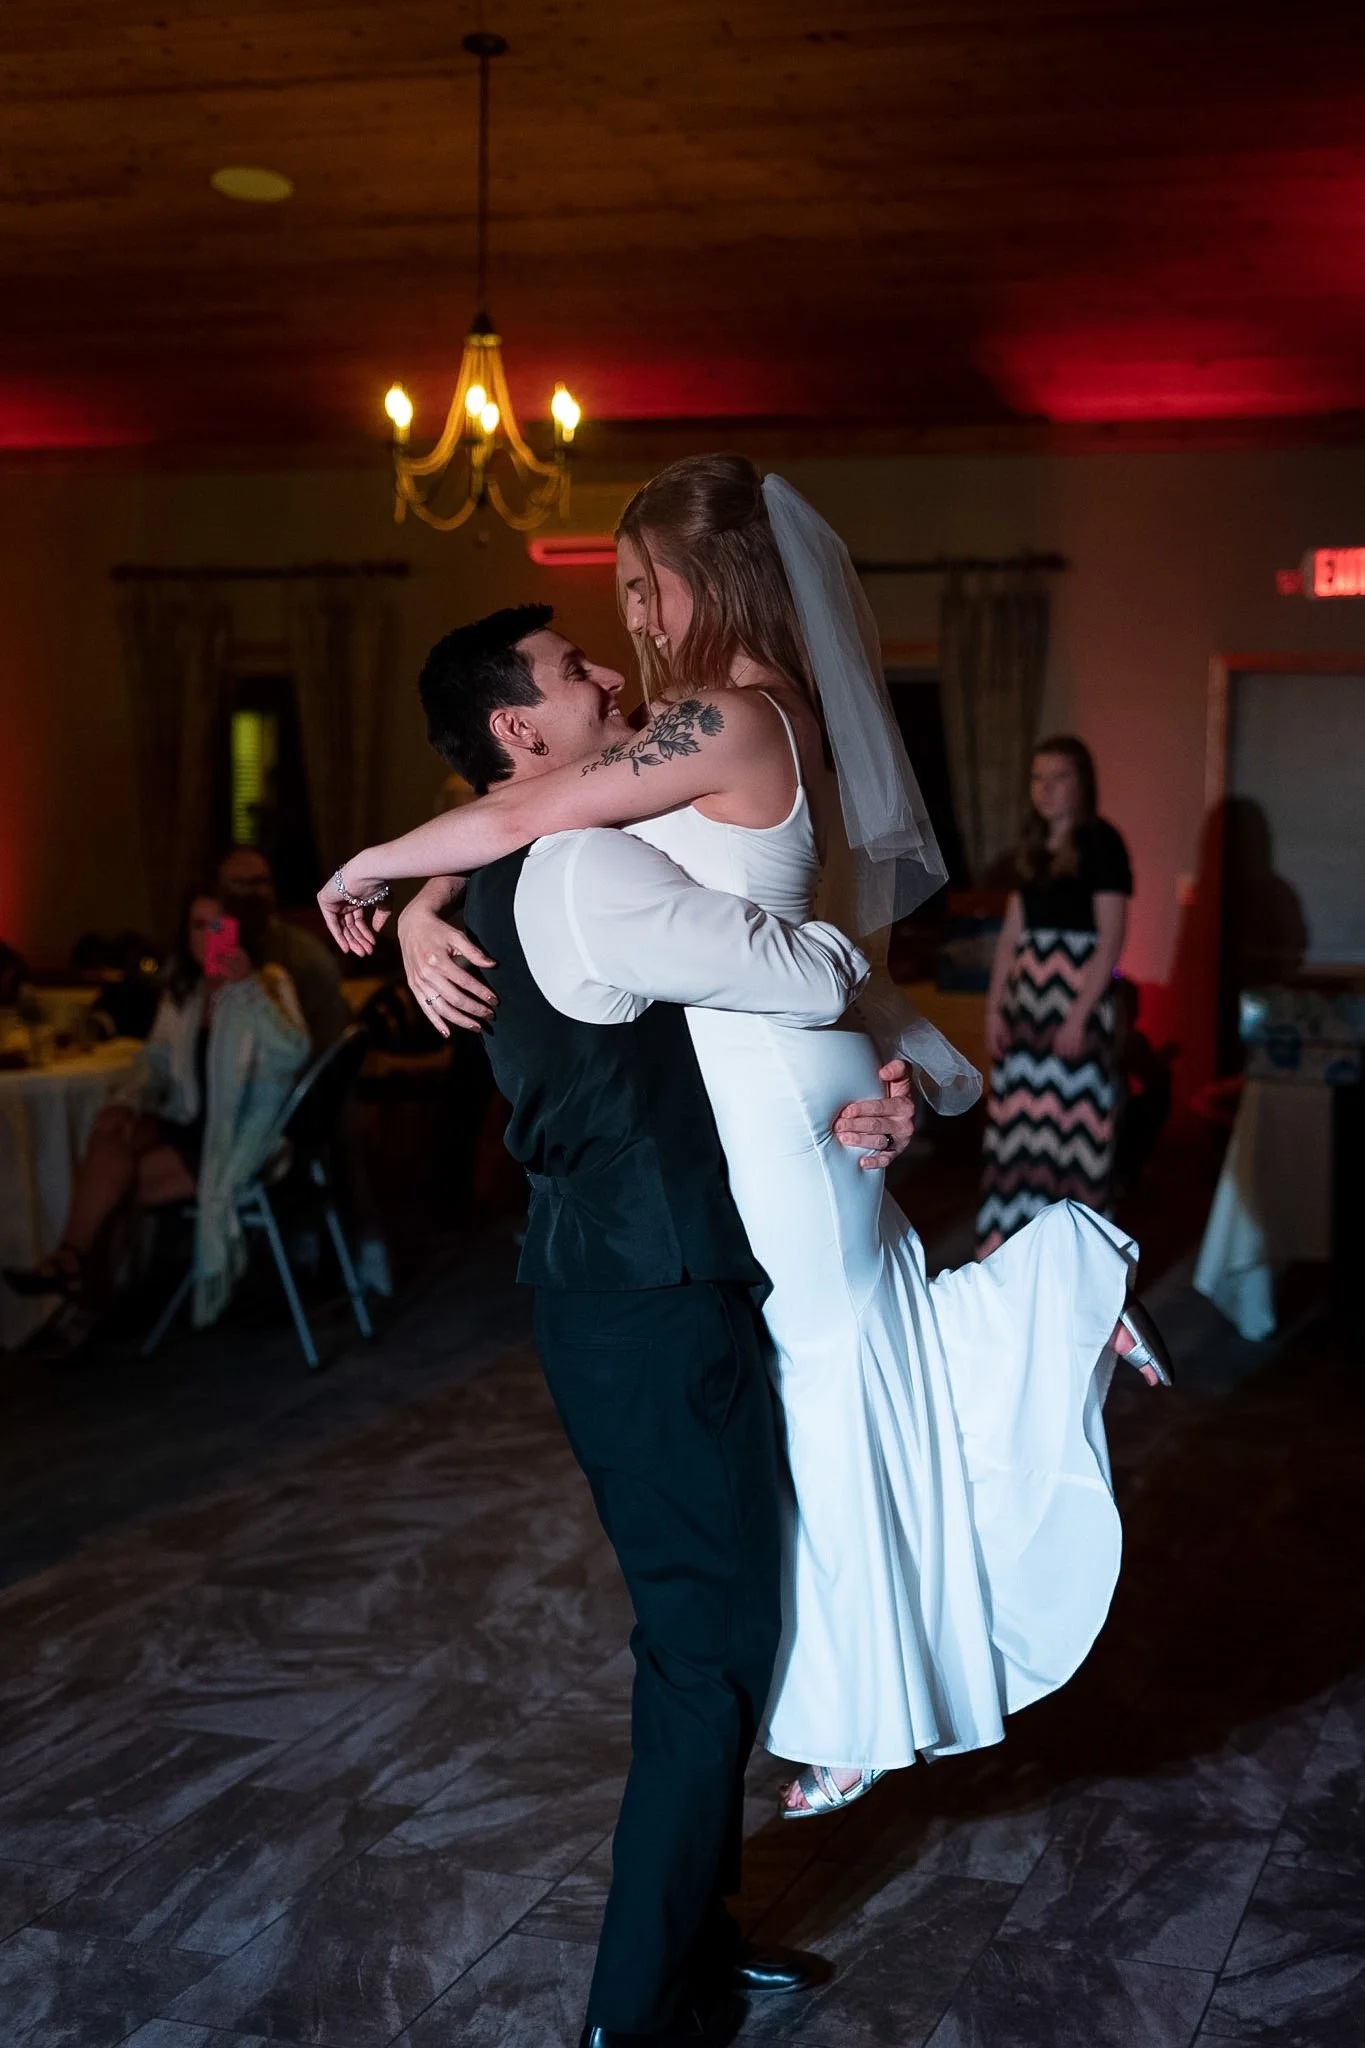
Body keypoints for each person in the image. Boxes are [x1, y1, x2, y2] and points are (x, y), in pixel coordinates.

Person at [320, 462, 1169, 1837]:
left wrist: (367, 866)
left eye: (644, 585)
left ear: (705, 580)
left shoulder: (727, 714)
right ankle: (1055, 1292)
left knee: (821, 1375)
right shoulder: (708, 716)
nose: (633, 618)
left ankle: (855, 1707)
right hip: (778, 1070)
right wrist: (424, 907)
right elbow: (546, 795)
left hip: (778, 1078)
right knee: (846, 1350)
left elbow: (537, 808)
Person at [333, 607, 906, 2045]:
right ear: (524, 734)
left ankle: (700, 1939)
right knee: (701, 1641)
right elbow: (815, 974)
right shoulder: (583, 862)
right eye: (575, 671)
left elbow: (501, 839)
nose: (612, 676)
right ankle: (634, 2012)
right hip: (644, 1297)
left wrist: (412, 898)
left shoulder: (531, 853)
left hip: (643, 1283)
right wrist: (838, 962)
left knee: (718, 1623)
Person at [2, 888, 309, 1358]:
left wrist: (246, 989)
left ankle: (84, 1297)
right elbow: (157, 1062)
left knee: (117, 1187)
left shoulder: (267, 981)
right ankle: (71, 1262)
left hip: (233, 1134)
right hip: (185, 1117)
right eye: (195, 925)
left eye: (216, 925)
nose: (205, 937)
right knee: (110, 1130)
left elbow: (295, 1053)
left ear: (234, 930)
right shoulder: (183, 991)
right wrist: (129, 1100)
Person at [977, 737, 1134, 1256]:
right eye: (1038, 777)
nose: (1045, 789)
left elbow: (1110, 939)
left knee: (1076, 1136)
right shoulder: (1033, 847)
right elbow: (1011, 936)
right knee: (1016, 1133)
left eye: (1058, 777)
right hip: (1029, 1004)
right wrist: (995, 1006)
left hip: (1076, 1001)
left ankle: (1080, 1257)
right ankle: (1012, 1248)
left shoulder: (1103, 844)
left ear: (1082, 783)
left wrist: (1077, 1016)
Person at [216, 845, 350, 1055]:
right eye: (237, 884)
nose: (248, 892)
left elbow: (325, 1042)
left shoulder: (303, 955)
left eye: (258, 882)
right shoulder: (207, 949)